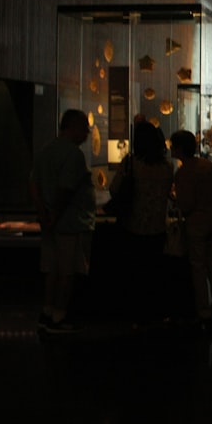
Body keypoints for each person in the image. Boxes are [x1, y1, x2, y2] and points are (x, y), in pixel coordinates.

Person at [29, 109, 95, 333]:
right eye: (85, 127)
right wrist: (55, 215)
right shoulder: (74, 155)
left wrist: (43, 215)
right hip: (70, 223)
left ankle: (46, 313)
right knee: (67, 272)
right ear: (73, 127)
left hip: (50, 223)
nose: (87, 133)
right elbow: (65, 189)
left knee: (51, 269)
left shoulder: (45, 150)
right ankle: (59, 317)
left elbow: (34, 184)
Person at [107, 120, 174, 326]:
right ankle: (155, 311)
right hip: (157, 226)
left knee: (134, 272)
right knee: (155, 271)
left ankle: (135, 312)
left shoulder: (130, 163)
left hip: (132, 225)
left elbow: (114, 189)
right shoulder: (167, 166)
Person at [169, 130, 212, 334]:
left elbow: (186, 203)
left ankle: (204, 311)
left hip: (197, 223)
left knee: (198, 267)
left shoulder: (183, 173)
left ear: (179, 148)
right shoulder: (207, 166)